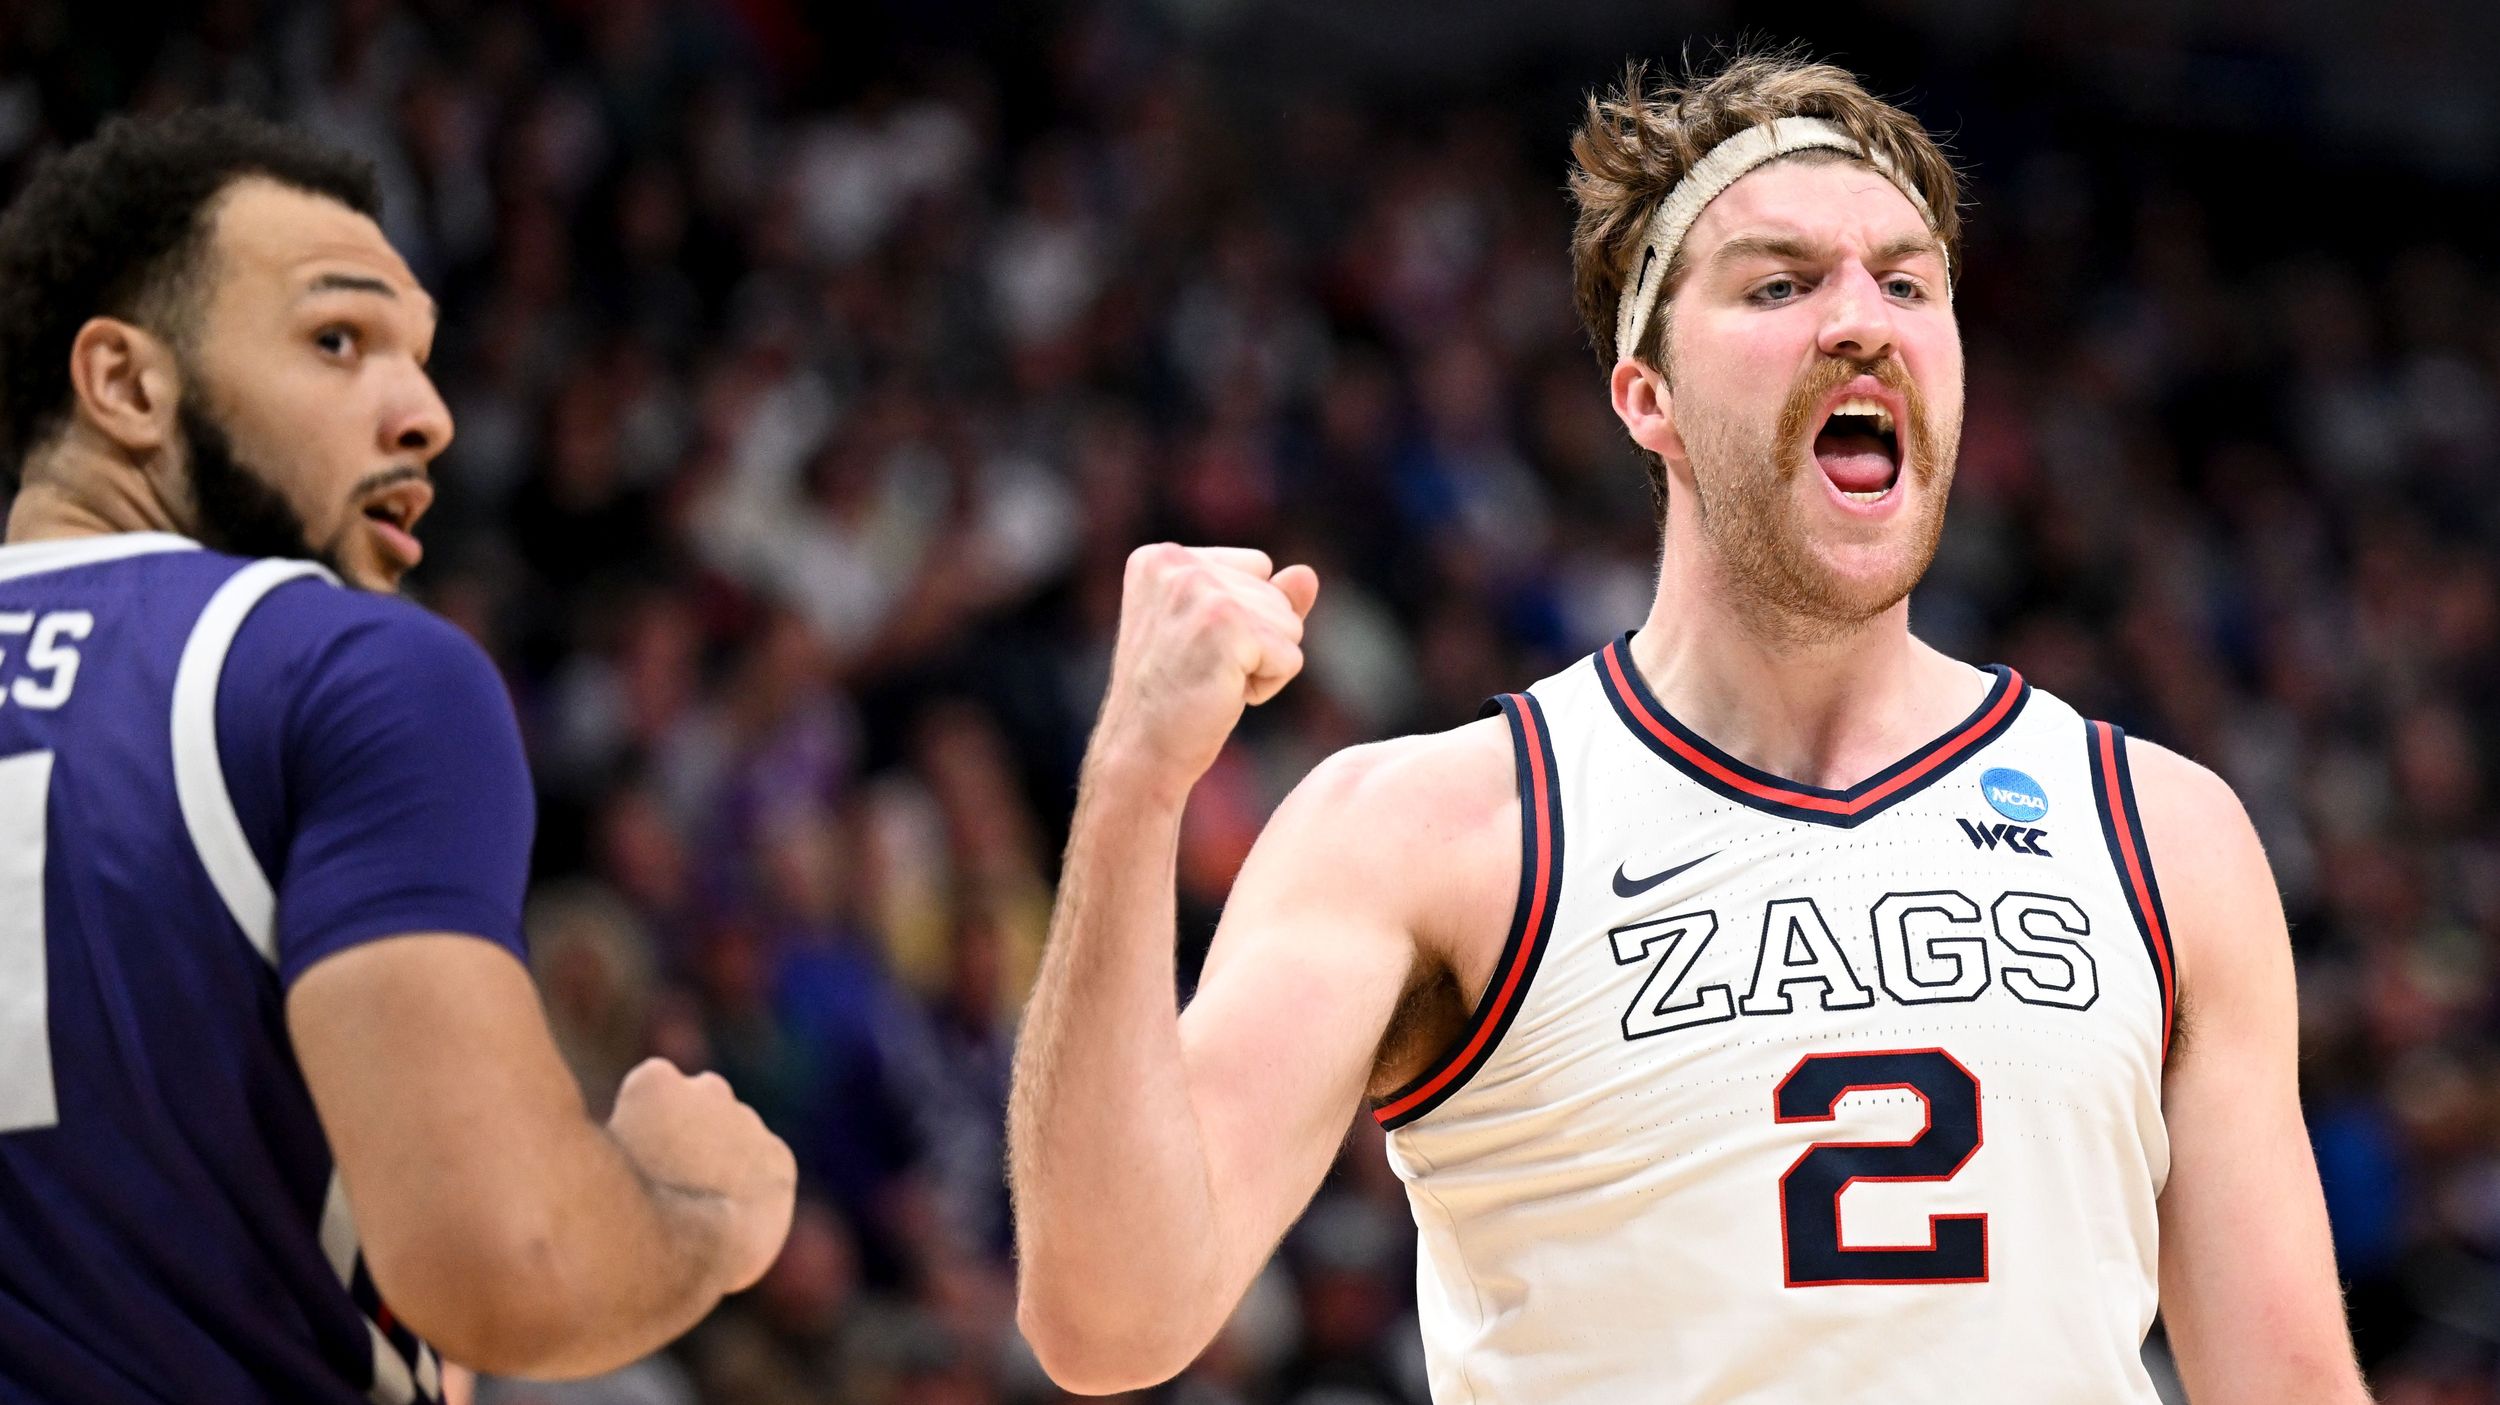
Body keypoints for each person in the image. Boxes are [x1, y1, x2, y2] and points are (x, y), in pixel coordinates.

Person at [1008, 50, 2373, 1404]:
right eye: (1780, 283)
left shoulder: (2163, 833)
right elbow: (1109, 1316)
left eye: (1907, 281)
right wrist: (1133, 780)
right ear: (1644, 395)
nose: (1862, 320)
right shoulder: (1432, 830)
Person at [0, 110, 794, 1402]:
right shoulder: (354, 666)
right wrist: (704, 1205)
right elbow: (509, 1264)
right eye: (337, 340)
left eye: (422, 359)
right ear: (128, 385)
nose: (426, 414)